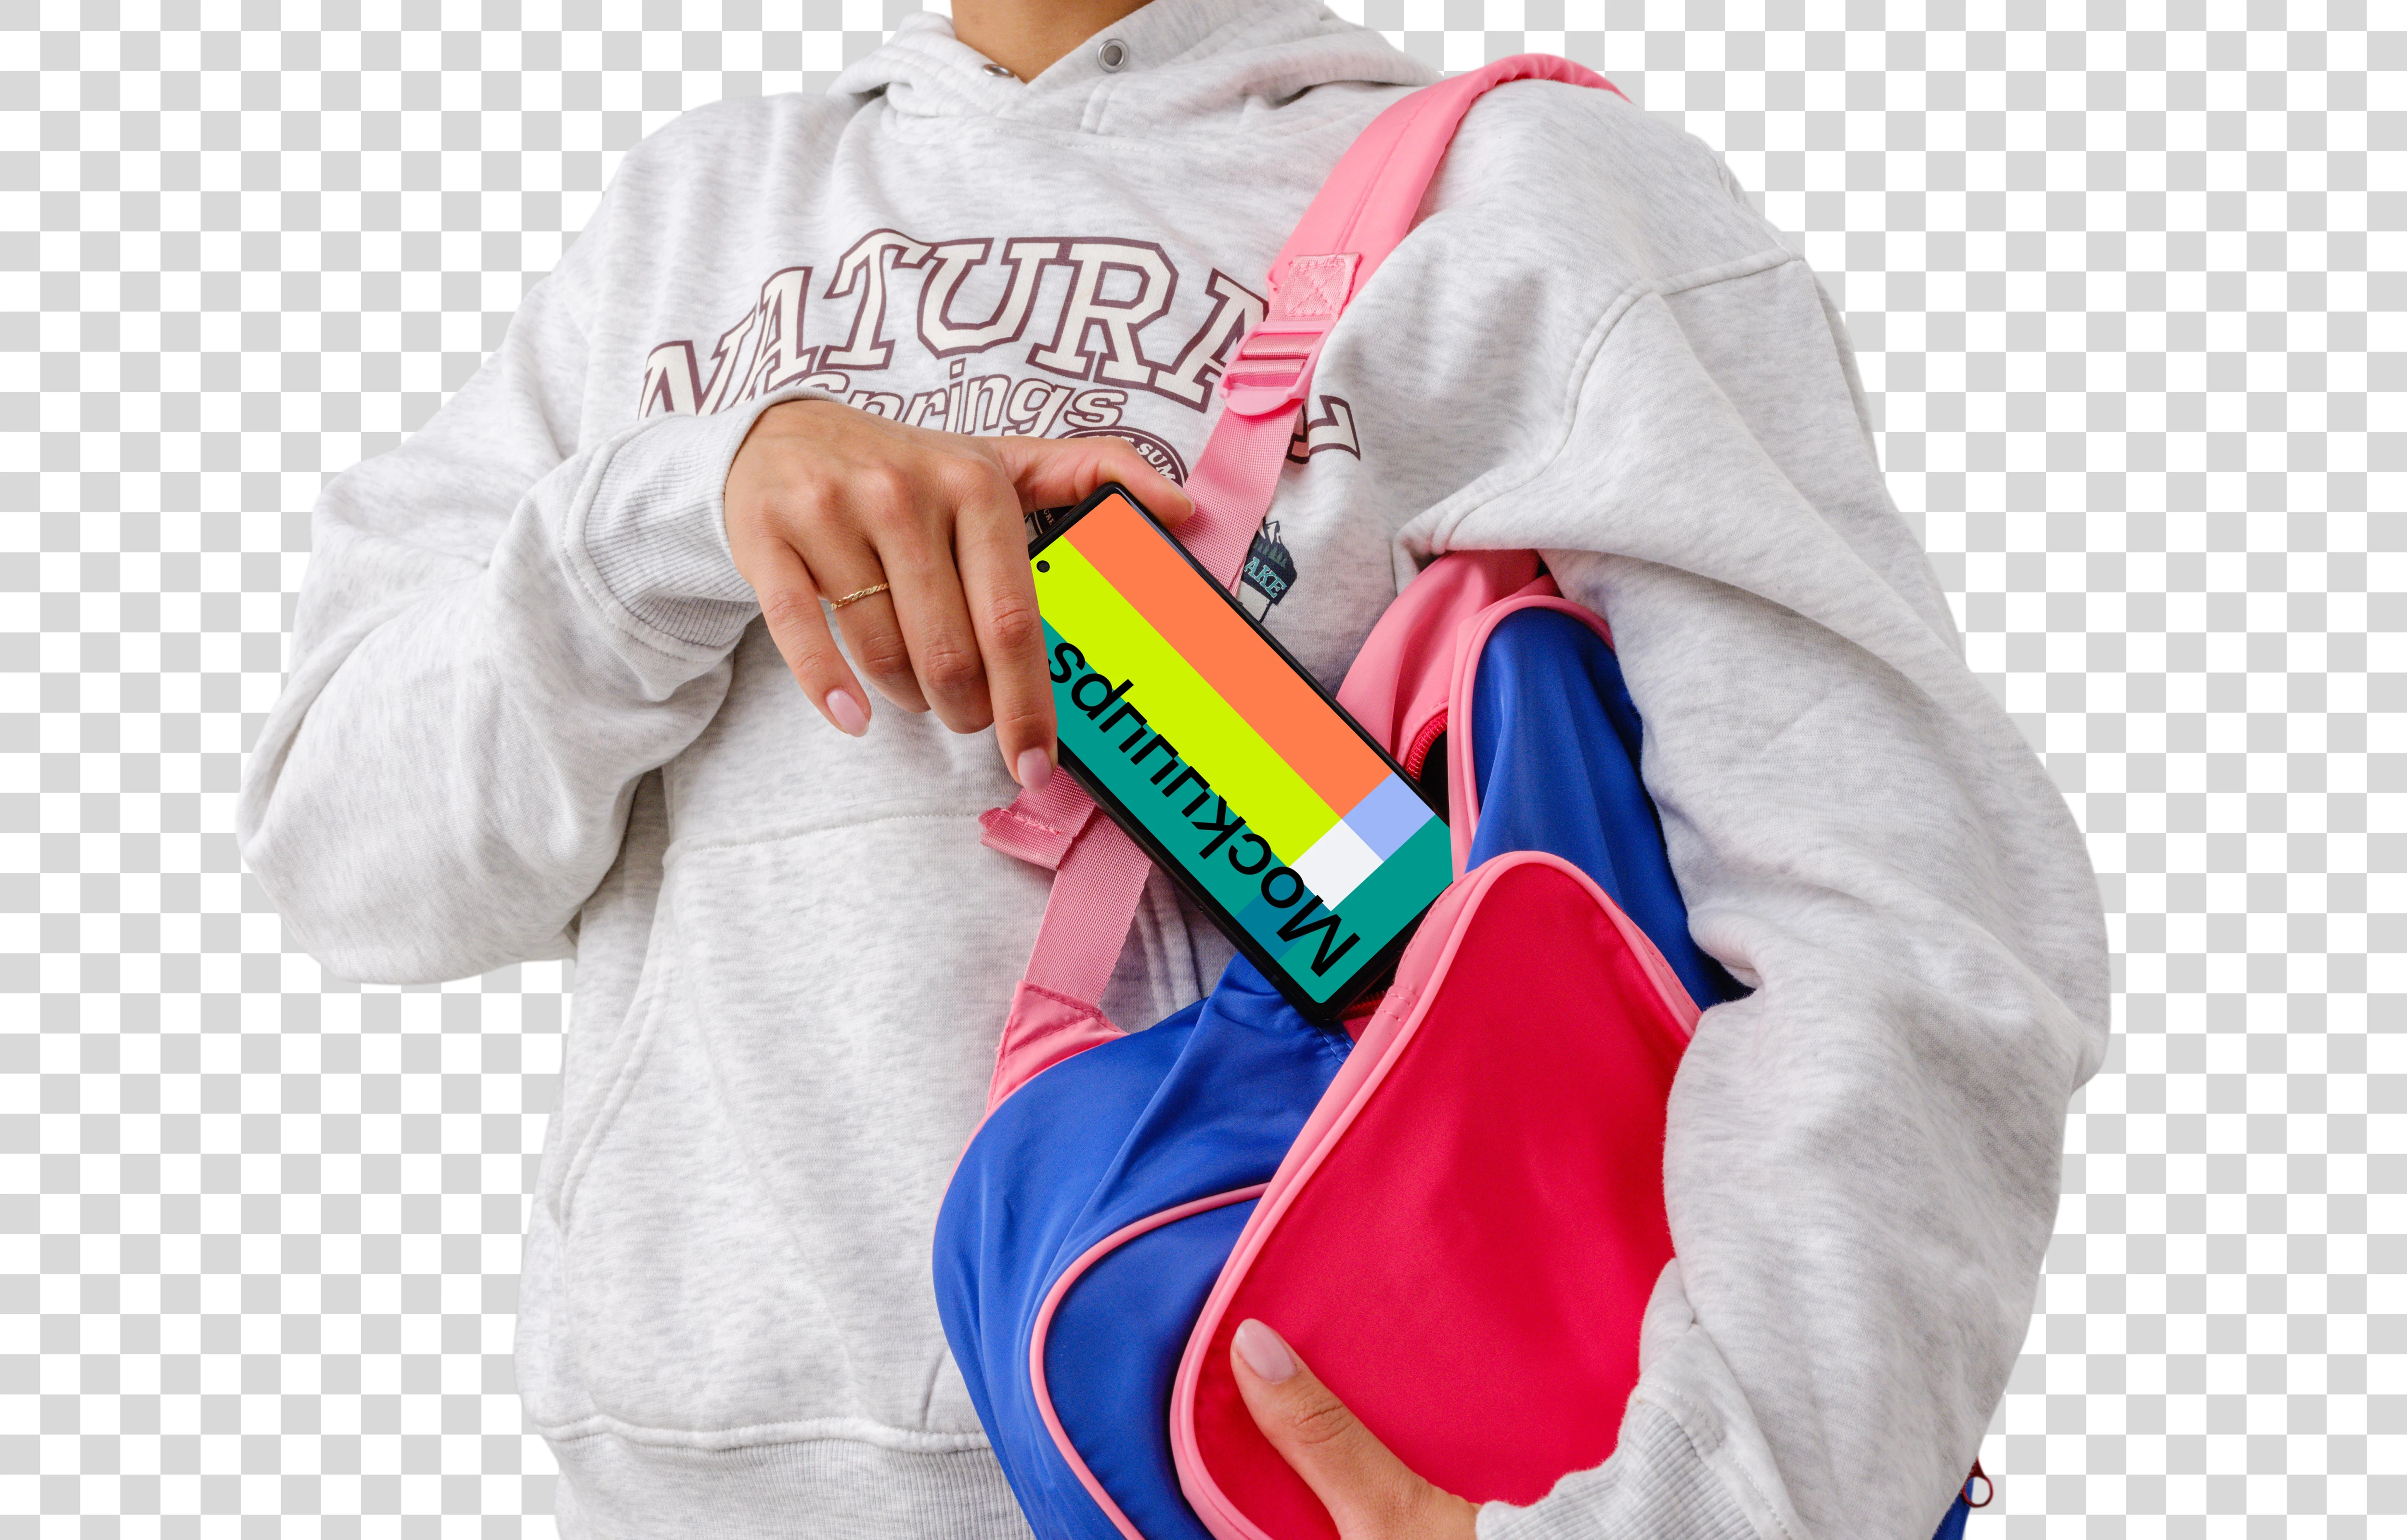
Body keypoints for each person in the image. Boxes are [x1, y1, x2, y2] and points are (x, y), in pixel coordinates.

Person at [237, 1, 2109, 1536]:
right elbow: (351, 859)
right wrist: (684, 502)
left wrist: (1692, 1510)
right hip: (666, 1488)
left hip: (1245, 1461)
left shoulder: (1534, 197)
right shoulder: (681, 221)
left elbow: (1910, 930)